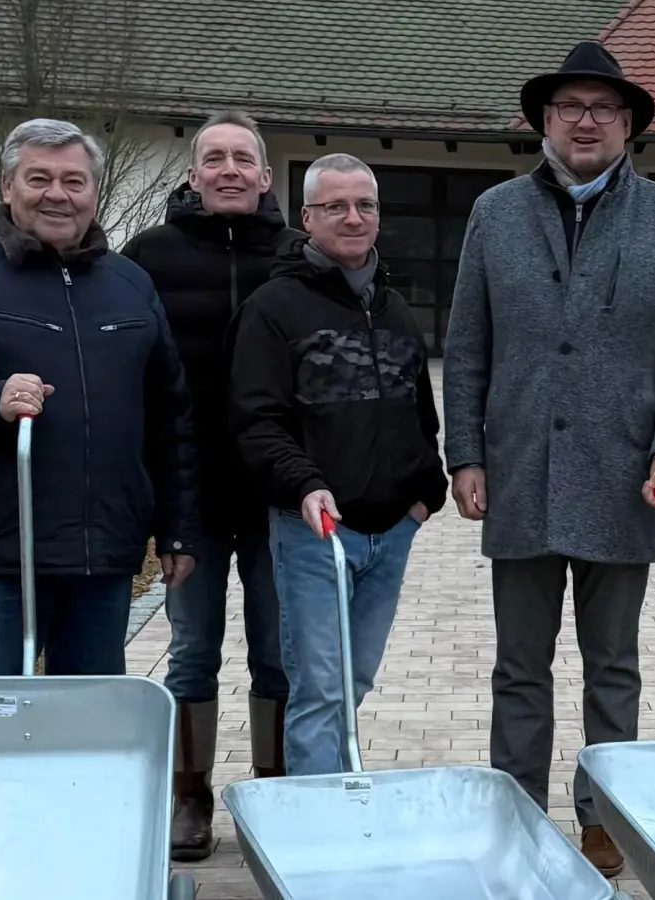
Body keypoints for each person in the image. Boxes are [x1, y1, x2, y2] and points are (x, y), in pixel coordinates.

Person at [440, 40, 655, 876]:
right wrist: (466, 454)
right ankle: (517, 818)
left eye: (603, 108)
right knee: (519, 669)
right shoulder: (495, 214)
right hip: (519, 472)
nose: (586, 121)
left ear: (628, 123)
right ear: (544, 121)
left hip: (625, 476)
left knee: (614, 670)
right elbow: (468, 345)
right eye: (571, 108)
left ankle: (604, 823)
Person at [0, 117, 201, 678]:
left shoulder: (130, 285)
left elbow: (169, 416)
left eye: (75, 182)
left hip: (103, 556)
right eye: (39, 179)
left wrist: (176, 528)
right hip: (0, 556)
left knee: (85, 734)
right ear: (8, 188)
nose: (58, 194)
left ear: (94, 193)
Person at [229, 152, 448, 778]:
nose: (353, 218)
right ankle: (312, 828)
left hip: (391, 532)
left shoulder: (397, 308)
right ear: (307, 216)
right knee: (319, 689)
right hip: (314, 531)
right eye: (336, 207)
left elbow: (421, 415)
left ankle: (334, 798)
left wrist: (422, 497)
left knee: (353, 680)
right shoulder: (274, 309)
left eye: (365, 205)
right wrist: (303, 485)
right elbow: (256, 421)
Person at [119, 110, 302, 861]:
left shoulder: (298, 257)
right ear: (192, 174)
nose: (229, 170)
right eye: (213, 159)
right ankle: (188, 795)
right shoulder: (148, 257)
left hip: (275, 492)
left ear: (265, 175)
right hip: (188, 489)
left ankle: (272, 788)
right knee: (192, 650)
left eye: (243, 159)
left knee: (278, 651)